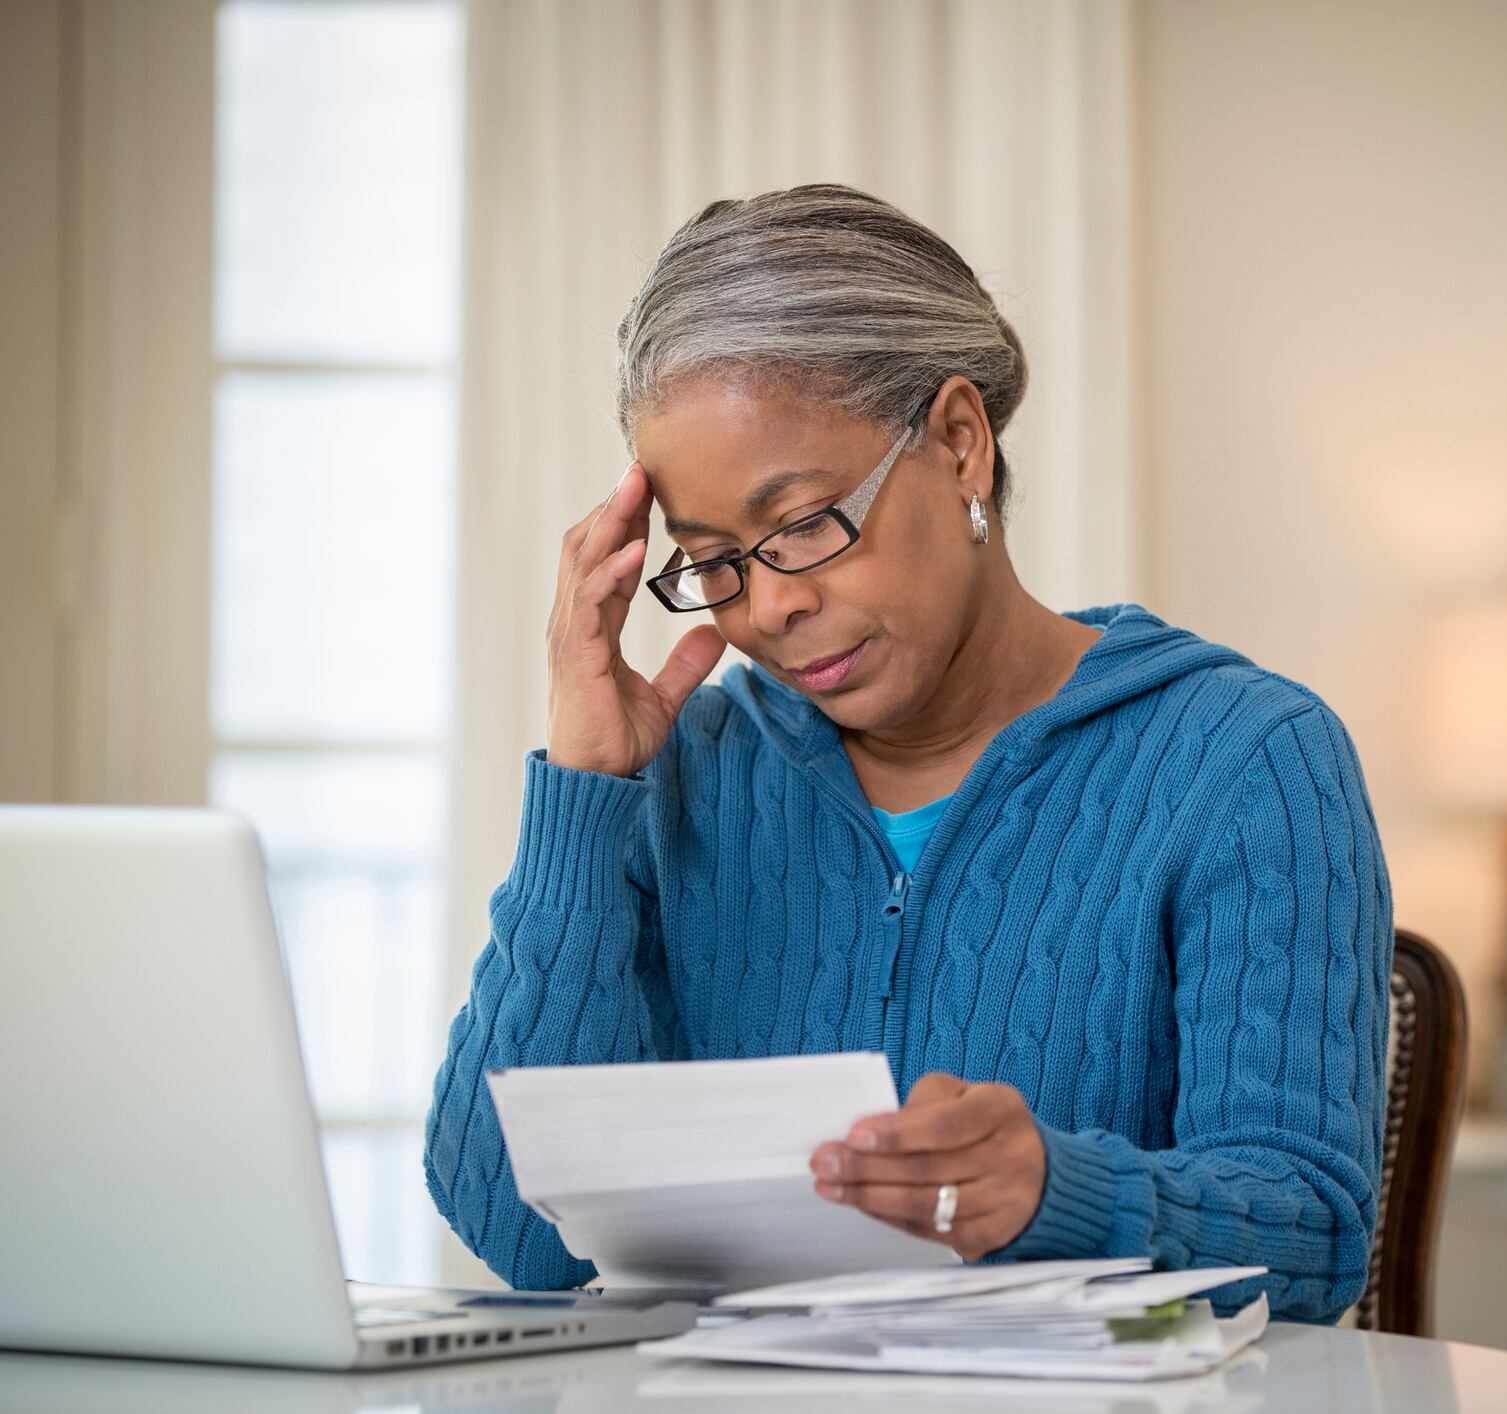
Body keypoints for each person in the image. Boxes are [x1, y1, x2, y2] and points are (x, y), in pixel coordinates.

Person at [423, 184, 1393, 1324]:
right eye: (717, 560)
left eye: (803, 526)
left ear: (960, 442)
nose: (771, 604)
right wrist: (582, 797)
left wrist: (1056, 1192)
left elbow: (1314, 1239)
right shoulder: (682, 773)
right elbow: (513, 1232)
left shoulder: (1244, 761)